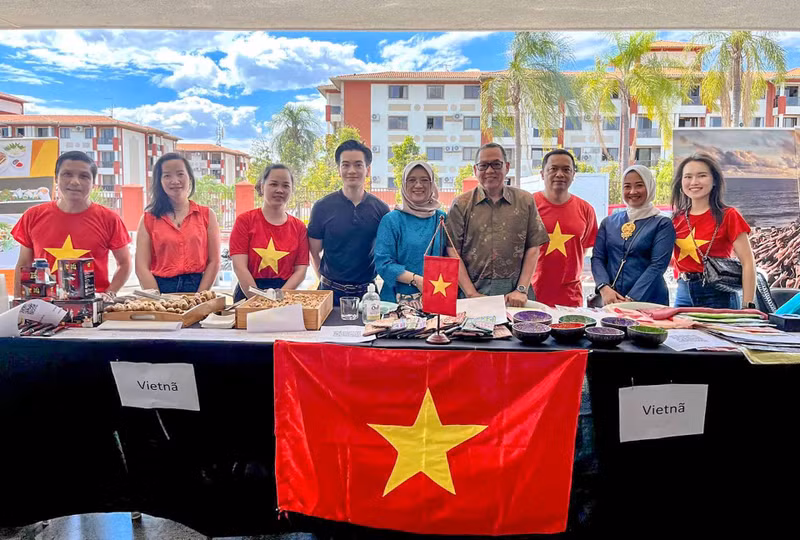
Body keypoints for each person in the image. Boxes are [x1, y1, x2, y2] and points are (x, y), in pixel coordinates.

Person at [12, 150, 131, 297]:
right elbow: (24, 265)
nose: (75, 181)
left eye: (84, 176)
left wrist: (109, 294)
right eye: (67, 174)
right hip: (44, 306)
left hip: (92, 307)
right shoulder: (32, 215)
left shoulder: (110, 219)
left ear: (93, 183)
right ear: (56, 178)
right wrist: (18, 303)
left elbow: (125, 263)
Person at [446, 142, 548, 307]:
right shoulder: (461, 204)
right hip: (473, 292)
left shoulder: (525, 201)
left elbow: (534, 246)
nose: (490, 171)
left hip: (515, 294)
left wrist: (521, 289)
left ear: (507, 167)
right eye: (483, 165)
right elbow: (452, 250)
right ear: (475, 170)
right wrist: (471, 293)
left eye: (496, 164)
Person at [308, 140, 390, 304]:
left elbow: (386, 253)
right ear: (339, 170)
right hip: (329, 295)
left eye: (358, 165)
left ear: (367, 170)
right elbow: (314, 252)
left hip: (368, 296)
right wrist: (325, 281)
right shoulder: (322, 207)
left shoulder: (381, 209)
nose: (352, 170)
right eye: (345, 165)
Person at [671, 153, 756, 308]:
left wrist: (747, 305)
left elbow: (748, 262)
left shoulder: (729, 215)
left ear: (714, 180)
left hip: (718, 294)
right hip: (683, 293)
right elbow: (674, 260)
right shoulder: (676, 219)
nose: (694, 182)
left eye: (701, 175)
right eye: (688, 177)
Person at [135, 153, 221, 293]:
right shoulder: (148, 219)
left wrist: (200, 297)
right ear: (159, 181)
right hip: (161, 288)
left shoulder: (207, 215)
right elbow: (141, 267)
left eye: (180, 174)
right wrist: (158, 300)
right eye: (167, 175)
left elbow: (214, 261)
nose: (174, 181)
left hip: (198, 287)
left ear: (190, 177)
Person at [591, 165, 676, 305]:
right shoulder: (609, 222)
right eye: (627, 186)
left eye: (639, 185)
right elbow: (598, 258)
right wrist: (604, 288)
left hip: (648, 300)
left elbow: (657, 266)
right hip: (610, 300)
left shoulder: (662, 224)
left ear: (649, 187)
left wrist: (631, 299)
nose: (632, 191)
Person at [229, 164, 309, 302]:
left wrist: (278, 298)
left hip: (284, 295)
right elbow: (239, 267)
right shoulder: (244, 221)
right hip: (249, 293)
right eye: (273, 184)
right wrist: (258, 301)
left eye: (285, 185)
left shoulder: (299, 227)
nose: (279, 190)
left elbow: (300, 271)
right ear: (261, 186)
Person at [532, 149, 598, 307]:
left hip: (570, 298)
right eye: (553, 169)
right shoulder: (528, 205)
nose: (560, 174)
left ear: (574, 174)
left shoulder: (586, 209)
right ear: (542, 174)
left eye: (566, 169)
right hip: (532, 295)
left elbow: (582, 249)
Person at [375, 160, 447, 302]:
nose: (418, 185)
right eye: (412, 180)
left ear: (432, 184)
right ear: (403, 184)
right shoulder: (392, 220)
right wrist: (416, 280)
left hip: (437, 299)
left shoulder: (441, 218)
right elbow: (383, 264)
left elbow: (450, 257)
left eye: (424, 180)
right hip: (397, 303)